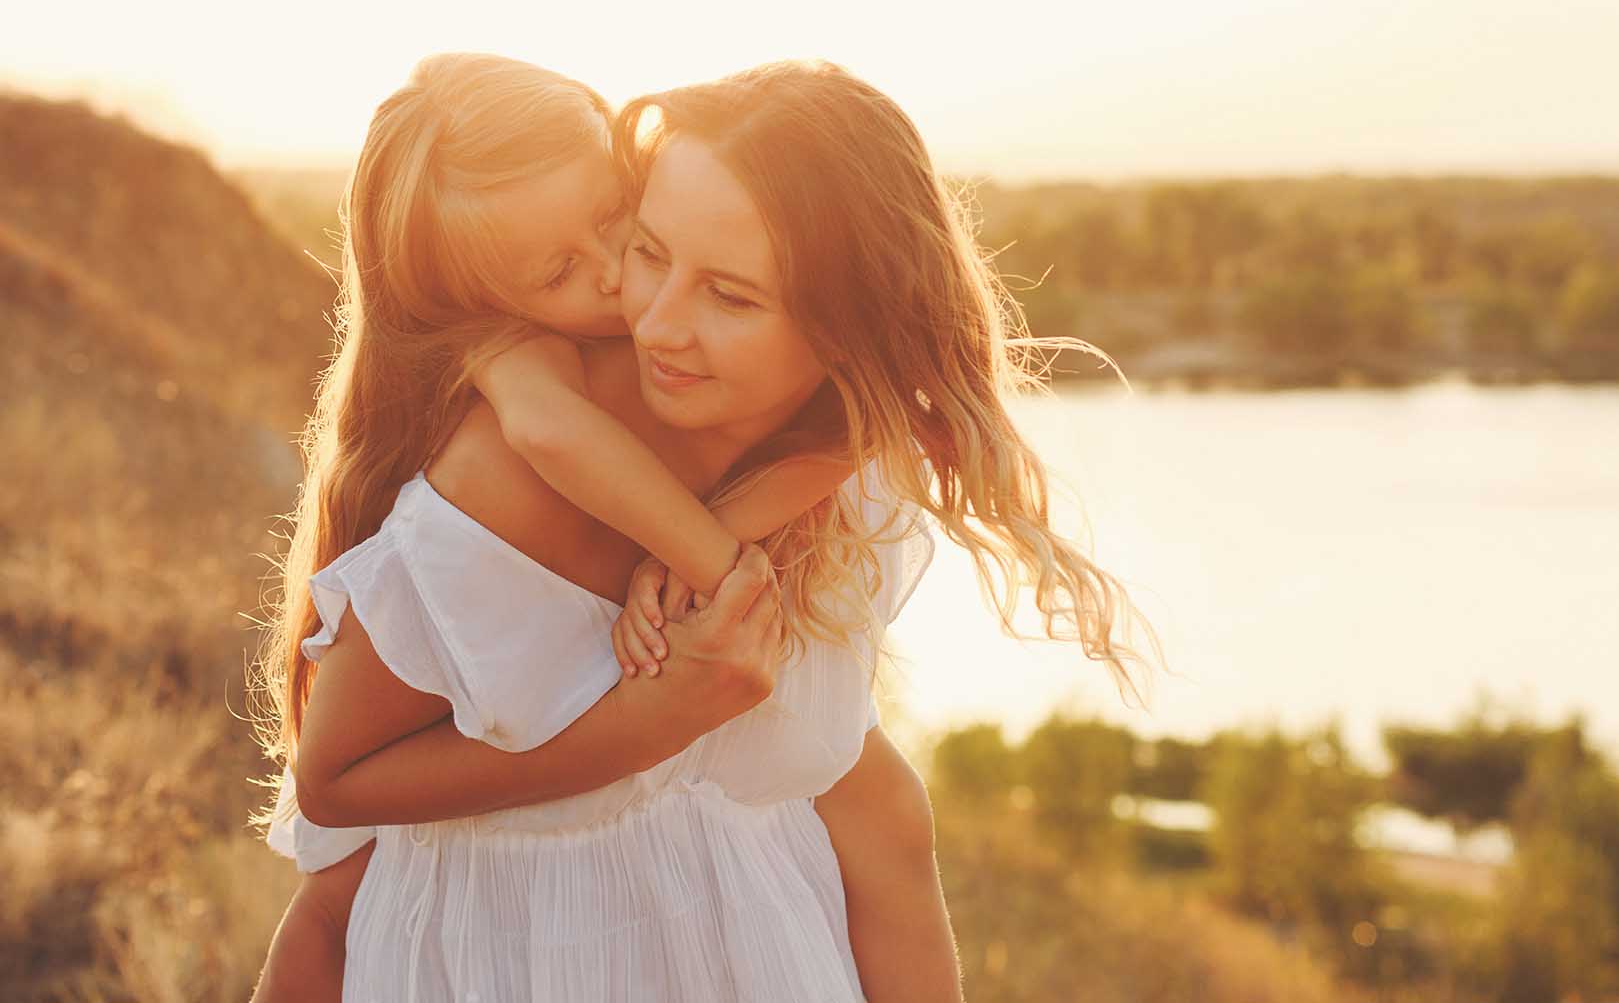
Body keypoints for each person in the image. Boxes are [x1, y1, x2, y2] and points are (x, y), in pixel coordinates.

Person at [256, 56, 1154, 1001]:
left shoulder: (843, 453)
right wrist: (657, 707)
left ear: (854, 326)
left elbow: (875, 805)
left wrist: (726, 525)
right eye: (650, 252)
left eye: (727, 294)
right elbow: (336, 861)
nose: (648, 320)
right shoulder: (505, 480)